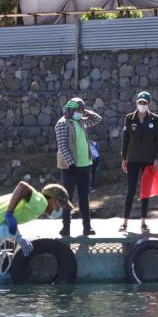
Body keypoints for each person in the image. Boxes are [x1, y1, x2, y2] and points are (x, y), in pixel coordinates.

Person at [0, 182, 74, 254]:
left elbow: (9, 221)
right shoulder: (41, 203)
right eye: (61, 204)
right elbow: (22, 186)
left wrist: (18, 238)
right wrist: (9, 213)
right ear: (53, 200)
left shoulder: (35, 204)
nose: (61, 209)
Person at [55, 97, 102, 237]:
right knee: (67, 198)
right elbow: (62, 146)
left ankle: (87, 227)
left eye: (82, 110)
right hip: (70, 167)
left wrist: (83, 109)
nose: (80, 113)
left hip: (85, 165)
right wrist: (71, 163)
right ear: (70, 110)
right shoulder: (62, 124)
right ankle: (66, 227)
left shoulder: (82, 121)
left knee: (84, 198)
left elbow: (98, 118)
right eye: (77, 110)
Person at [121, 91, 158, 233]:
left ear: (149, 103)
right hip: (132, 159)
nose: (142, 105)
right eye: (140, 102)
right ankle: (125, 222)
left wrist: (157, 158)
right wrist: (124, 158)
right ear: (136, 103)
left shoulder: (154, 119)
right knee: (131, 190)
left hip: (148, 160)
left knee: (145, 191)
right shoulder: (129, 118)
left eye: (144, 102)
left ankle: (143, 222)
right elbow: (125, 139)